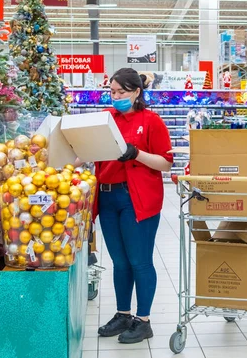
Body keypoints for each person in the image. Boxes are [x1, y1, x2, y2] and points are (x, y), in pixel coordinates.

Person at [94, 67, 173, 344]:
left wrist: (137, 153)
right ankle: (123, 314)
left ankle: (144, 320)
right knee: (119, 262)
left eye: (122, 92)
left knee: (139, 261)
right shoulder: (106, 120)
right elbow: (90, 153)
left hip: (136, 198)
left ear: (137, 91)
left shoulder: (151, 121)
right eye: (112, 92)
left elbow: (165, 162)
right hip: (107, 197)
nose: (115, 97)